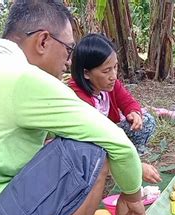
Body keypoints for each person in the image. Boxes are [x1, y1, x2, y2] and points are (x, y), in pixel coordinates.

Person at [0, 1, 146, 215]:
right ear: (43, 41)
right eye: (68, 50)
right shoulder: (23, 78)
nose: (68, 62)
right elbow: (118, 143)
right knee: (90, 152)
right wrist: (133, 197)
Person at [68, 33, 161, 184]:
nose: (113, 76)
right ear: (86, 73)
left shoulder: (109, 84)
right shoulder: (78, 98)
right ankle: (111, 166)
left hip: (108, 134)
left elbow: (128, 101)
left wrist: (133, 113)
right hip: (90, 144)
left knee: (147, 121)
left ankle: (123, 159)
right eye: (106, 71)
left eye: (115, 67)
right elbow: (96, 137)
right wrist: (135, 166)